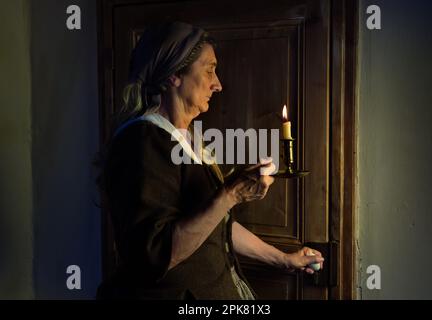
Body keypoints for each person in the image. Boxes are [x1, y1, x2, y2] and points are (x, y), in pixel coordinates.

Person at [96, 22, 324, 300]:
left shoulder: (187, 138)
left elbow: (216, 223)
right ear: (173, 76)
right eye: (209, 70)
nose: (218, 84)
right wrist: (230, 195)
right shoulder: (142, 142)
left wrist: (283, 259)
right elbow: (154, 255)